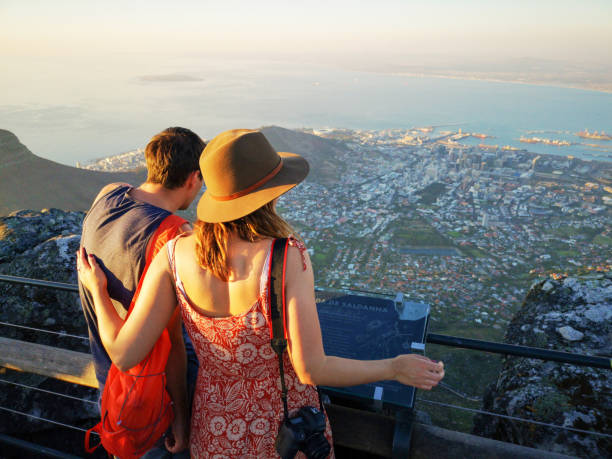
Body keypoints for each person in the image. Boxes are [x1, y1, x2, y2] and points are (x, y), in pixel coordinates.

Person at [78, 129, 445, 458]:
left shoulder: (172, 254)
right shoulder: (286, 257)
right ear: (268, 194)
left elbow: (124, 354)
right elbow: (311, 367)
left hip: (213, 428)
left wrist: (98, 291)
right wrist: (395, 367)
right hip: (283, 430)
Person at [78, 126, 205, 455]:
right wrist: (180, 418)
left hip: (110, 388)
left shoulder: (108, 194)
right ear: (193, 178)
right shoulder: (173, 235)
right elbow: (174, 342)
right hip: (152, 399)